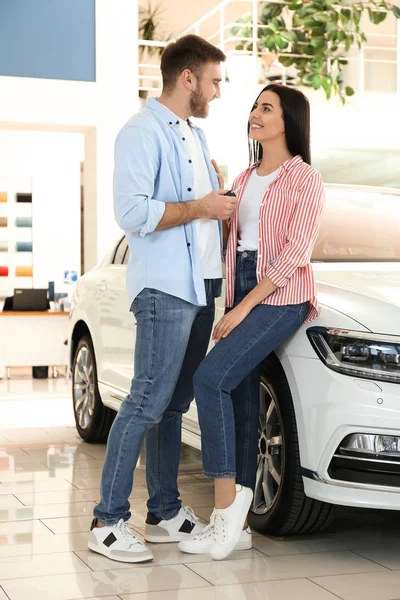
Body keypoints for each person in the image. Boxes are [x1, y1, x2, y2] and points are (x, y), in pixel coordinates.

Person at [88, 35, 237, 564]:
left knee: (174, 403)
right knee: (147, 400)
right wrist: (201, 205)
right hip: (164, 288)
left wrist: (214, 201)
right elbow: (133, 213)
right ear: (188, 78)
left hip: (201, 287)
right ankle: (107, 522)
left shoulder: (192, 135)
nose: (220, 92)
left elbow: (202, 210)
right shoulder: (140, 132)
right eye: (215, 80)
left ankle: (165, 510)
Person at [179, 84, 325, 560]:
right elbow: (233, 241)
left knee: (210, 378)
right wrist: (220, 202)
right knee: (238, 398)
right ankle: (236, 528)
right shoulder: (242, 177)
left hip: (282, 296)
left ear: (288, 121)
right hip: (243, 287)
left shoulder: (304, 178)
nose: (254, 114)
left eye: (266, 108)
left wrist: (242, 309)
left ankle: (225, 510)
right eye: (254, 107)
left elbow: (293, 255)